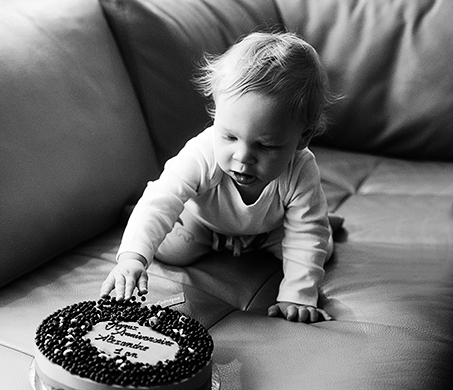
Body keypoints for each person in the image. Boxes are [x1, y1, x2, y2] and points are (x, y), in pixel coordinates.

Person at [100, 31, 337, 323]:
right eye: (229, 136)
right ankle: (135, 216)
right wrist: (132, 258)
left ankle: (317, 213)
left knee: (317, 244)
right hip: (203, 224)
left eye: (265, 146)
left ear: (302, 138)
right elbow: (162, 200)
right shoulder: (203, 153)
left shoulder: (300, 169)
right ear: (216, 115)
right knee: (172, 249)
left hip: (267, 232)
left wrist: (297, 296)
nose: (242, 157)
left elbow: (307, 236)